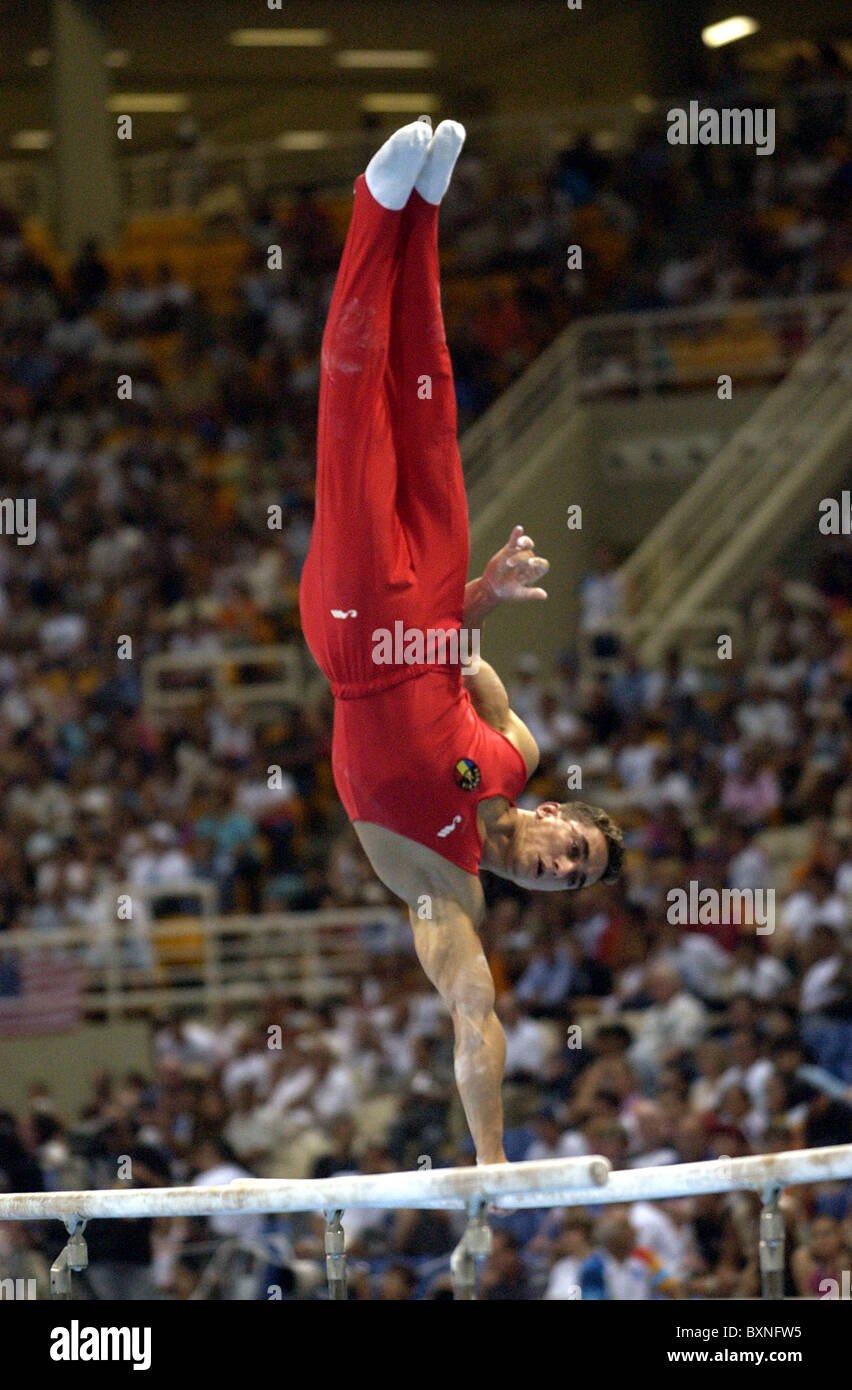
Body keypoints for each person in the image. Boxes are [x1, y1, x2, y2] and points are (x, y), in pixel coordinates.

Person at [299, 117, 622, 1165]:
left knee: (357, 420)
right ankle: (426, 210)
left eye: (570, 877)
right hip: (432, 606)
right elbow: (467, 658)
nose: (561, 864)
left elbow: (471, 1016)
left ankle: (374, 208)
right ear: (558, 810)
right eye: (577, 847)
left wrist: (492, 1165)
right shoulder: (514, 748)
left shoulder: (450, 887)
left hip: (355, 644)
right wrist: (484, 592)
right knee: (428, 406)